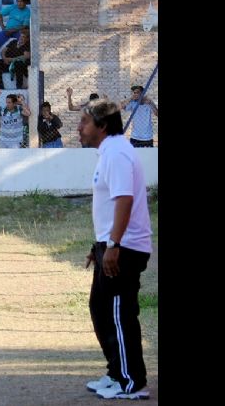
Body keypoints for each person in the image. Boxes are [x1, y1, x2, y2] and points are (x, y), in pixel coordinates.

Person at [78, 100, 152, 401]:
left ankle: (133, 382)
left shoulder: (118, 153)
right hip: (111, 244)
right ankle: (117, 372)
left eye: (84, 122)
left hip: (125, 247)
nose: (79, 128)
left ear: (102, 126)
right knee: (100, 309)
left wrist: (114, 245)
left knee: (120, 315)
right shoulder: (109, 152)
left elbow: (124, 201)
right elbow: (110, 206)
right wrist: (99, 246)